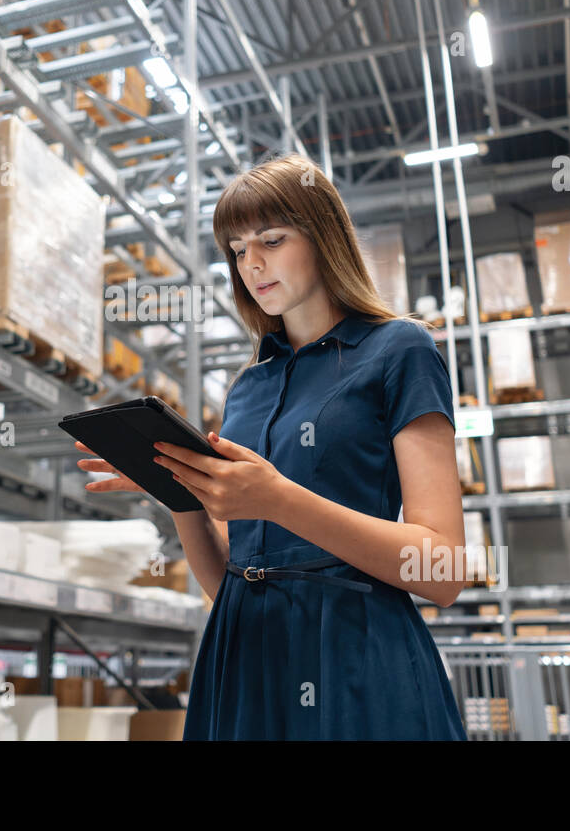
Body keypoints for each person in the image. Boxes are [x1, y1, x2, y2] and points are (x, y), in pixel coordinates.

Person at [75, 153, 467, 740]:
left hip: (355, 661)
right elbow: (236, 577)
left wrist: (279, 499)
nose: (251, 264)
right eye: (236, 250)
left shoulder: (399, 351)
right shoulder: (248, 387)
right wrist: (179, 492)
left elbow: (445, 570)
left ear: (325, 237)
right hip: (244, 656)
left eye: (272, 240)